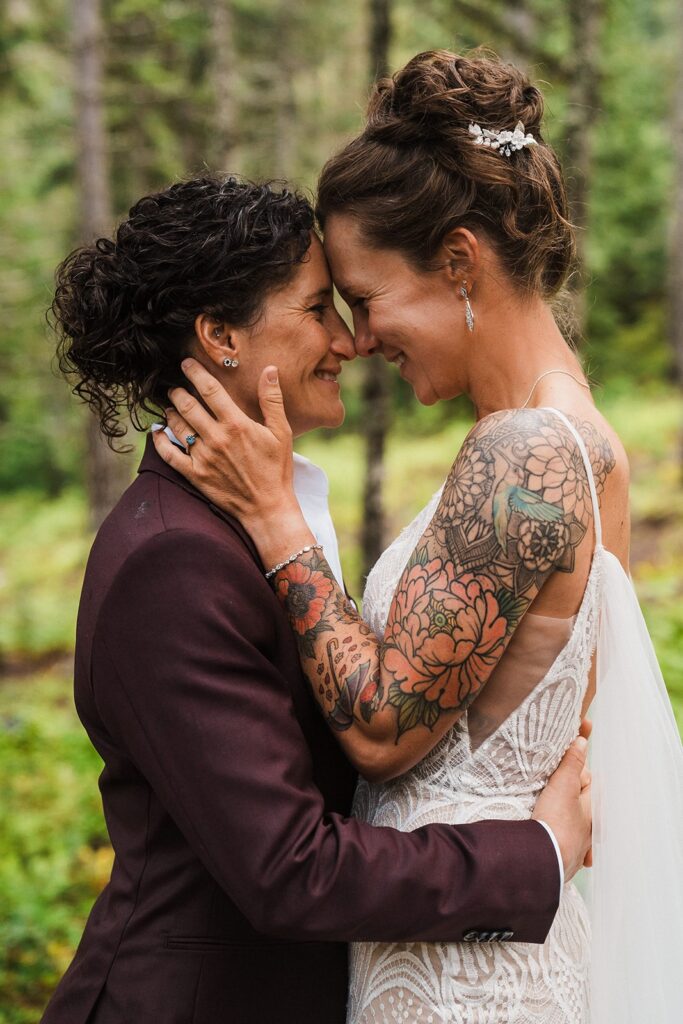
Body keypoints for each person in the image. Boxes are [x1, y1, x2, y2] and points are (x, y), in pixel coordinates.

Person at [157, 52, 683, 1023]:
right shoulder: (585, 444)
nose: (356, 340)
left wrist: (275, 515)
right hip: (478, 940)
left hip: (465, 987)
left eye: (363, 298)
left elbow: (382, 727)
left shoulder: (525, 453)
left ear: (456, 260)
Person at [41, 176, 591, 1024]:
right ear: (221, 335)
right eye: (315, 310)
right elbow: (287, 869)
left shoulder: (256, 515)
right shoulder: (173, 559)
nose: (348, 340)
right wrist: (536, 856)